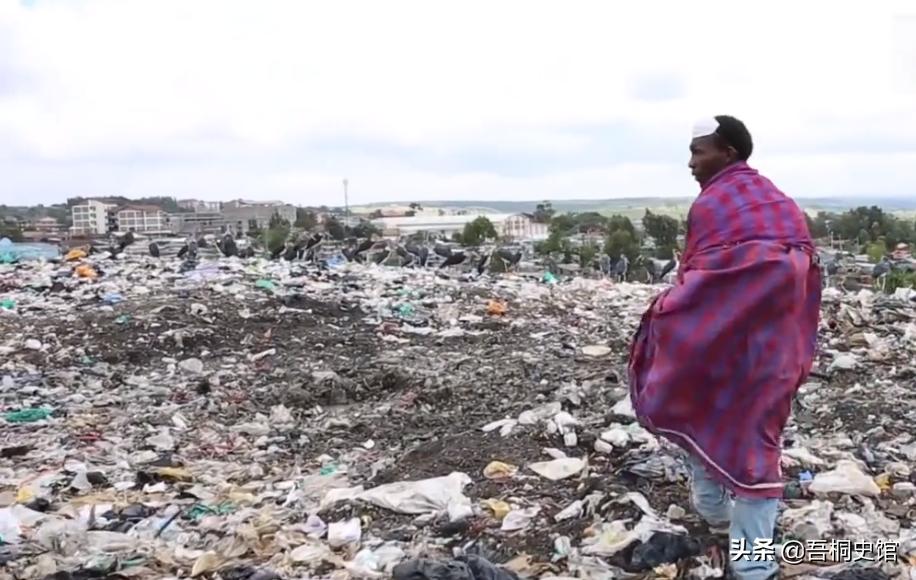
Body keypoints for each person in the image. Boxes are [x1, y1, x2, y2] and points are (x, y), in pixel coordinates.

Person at [628, 115, 821, 580]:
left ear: (728, 153)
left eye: (699, 151)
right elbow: (714, 273)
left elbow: (761, 274)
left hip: (744, 351)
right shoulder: (773, 202)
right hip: (764, 352)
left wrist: (671, 312)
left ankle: (750, 563)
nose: (691, 162)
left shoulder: (723, 204)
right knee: (722, 423)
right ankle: (718, 518)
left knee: (738, 435)